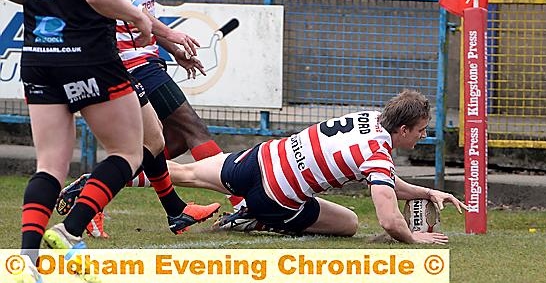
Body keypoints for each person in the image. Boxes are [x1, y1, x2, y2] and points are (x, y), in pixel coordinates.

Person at [58, 0, 245, 224]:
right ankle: (241, 201)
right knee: (192, 129)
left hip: (149, 61)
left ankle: (91, 189)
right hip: (130, 65)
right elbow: (134, 13)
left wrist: (172, 49)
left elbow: (148, 19)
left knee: (164, 145)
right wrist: (173, 36)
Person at [0, 0, 151, 281]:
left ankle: (25, 262)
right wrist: (139, 18)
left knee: (49, 164)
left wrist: (42, 4)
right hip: (87, 53)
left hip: (38, 54)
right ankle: (69, 230)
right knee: (128, 152)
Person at [162, 90, 468, 243]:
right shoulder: (377, 154)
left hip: (259, 160)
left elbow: (386, 180)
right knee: (349, 223)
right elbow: (389, 221)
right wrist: (415, 238)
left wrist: (428, 192)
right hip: (276, 199)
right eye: (420, 130)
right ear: (402, 130)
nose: (423, 136)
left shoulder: (372, 118)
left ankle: (121, 168)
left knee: (180, 172)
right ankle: (255, 218)